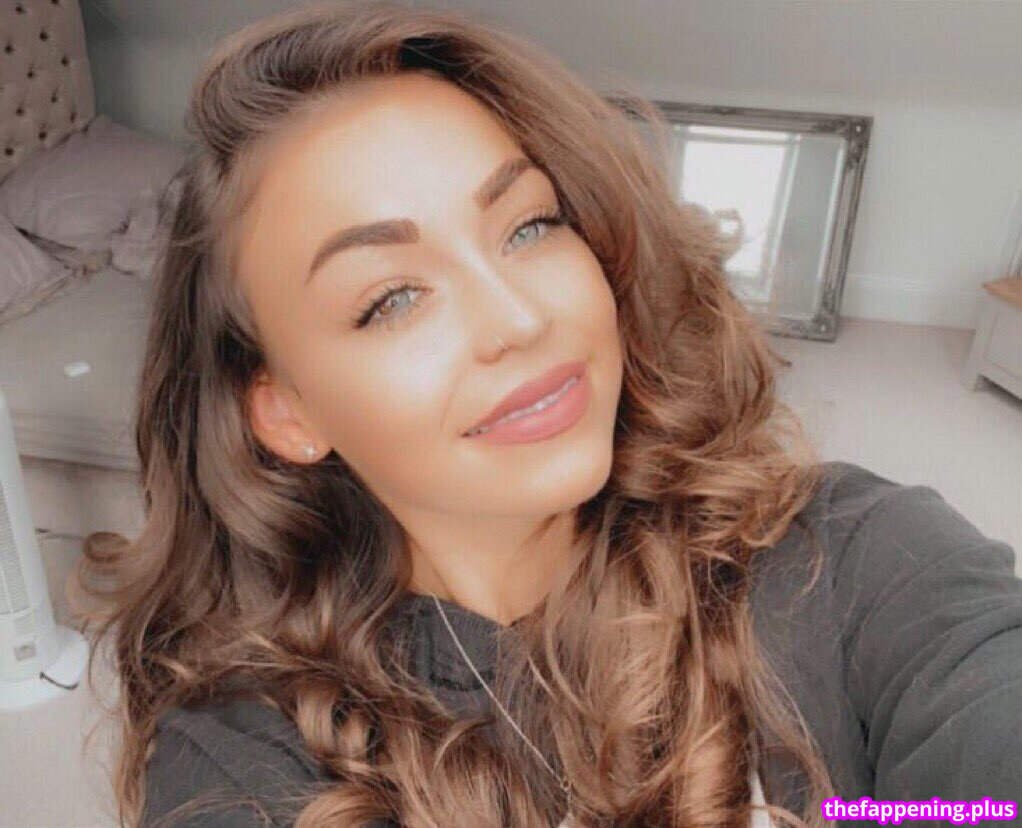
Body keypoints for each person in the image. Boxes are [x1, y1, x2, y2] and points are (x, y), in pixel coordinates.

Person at [74, 1, 1022, 826]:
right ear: (286, 413)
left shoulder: (851, 558)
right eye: (392, 298)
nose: (522, 320)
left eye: (528, 225)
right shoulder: (242, 756)